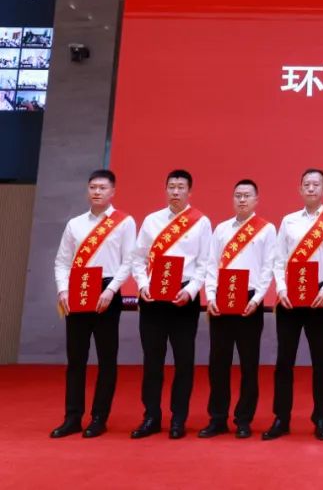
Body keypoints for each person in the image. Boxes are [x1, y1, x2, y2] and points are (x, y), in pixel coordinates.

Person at [50, 169, 136, 439]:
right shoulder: (74, 224)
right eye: (93, 187)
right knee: (76, 359)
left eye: (102, 188)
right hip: (78, 290)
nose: (97, 192)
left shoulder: (124, 222)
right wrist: (63, 290)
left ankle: (99, 417)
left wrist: (111, 290)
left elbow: (129, 261)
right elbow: (62, 261)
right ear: (87, 191)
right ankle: (72, 417)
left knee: (106, 358)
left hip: (107, 292)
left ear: (113, 192)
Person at [263, 168, 323, 441]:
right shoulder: (288, 221)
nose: (311, 188)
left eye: (316, 184)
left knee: (320, 361)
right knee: (284, 361)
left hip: (319, 297)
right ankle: (281, 418)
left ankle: (321, 418)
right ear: (300, 189)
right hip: (289, 298)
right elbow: (278, 260)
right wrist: (281, 289)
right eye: (307, 184)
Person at [130, 169, 213, 440]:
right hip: (153, 298)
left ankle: (179, 418)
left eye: (181, 187)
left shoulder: (201, 222)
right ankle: (151, 417)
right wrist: (143, 285)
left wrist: (190, 291)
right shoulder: (152, 220)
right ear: (166, 190)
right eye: (171, 187)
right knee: (152, 361)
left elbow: (205, 263)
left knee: (183, 362)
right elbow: (138, 258)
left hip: (184, 299)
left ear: (190, 191)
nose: (175, 192)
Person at [200, 179, 276, 439]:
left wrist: (258, 299)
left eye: (247, 195)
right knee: (218, 363)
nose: (242, 200)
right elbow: (212, 265)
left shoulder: (266, 229)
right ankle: (217, 418)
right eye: (238, 195)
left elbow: (268, 267)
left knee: (248, 364)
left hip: (250, 300)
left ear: (256, 199)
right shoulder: (221, 229)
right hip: (222, 299)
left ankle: (244, 419)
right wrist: (210, 296)